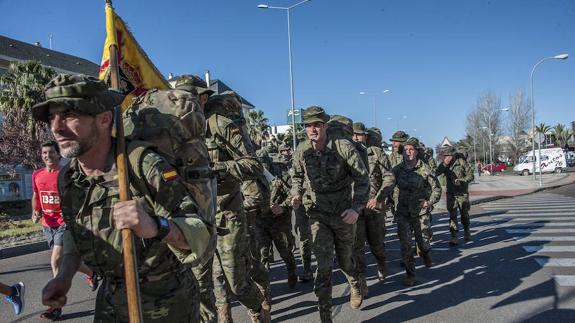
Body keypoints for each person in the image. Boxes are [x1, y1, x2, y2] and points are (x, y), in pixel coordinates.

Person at [34, 74, 213, 322]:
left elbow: (202, 234)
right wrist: (63, 277)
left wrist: (156, 226)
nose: (56, 127)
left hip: (167, 307)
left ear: (104, 119)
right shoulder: (69, 178)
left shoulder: (142, 165)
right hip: (110, 304)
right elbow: (74, 232)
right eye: (52, 117)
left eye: (69, 115)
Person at [291, 106, 369, 322]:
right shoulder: (302, 150)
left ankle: (355, 281)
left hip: (344, 213)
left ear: (325, 126)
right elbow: (296, 175)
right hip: (318, 214)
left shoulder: (342, 147)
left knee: (345, 262)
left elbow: (362, 179)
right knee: (323, 268)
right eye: (308, 125)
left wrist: (356, 208)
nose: (313, 129)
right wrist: (296, 194)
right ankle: (326, 317)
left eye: (317, 125)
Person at [203, 92, 269, 323]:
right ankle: (224, 316)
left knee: (235, 278)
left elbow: (254, 165)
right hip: (199, 215)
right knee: (212, 275)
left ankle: (257, 306)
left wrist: (217, 168)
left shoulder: (220, 124)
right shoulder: (180, 129)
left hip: (227, 210)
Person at [31, 140, 98, 320]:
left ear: (58, 154)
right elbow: (36, 195)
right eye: (44, 153)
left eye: (51, 152)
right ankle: (92, 273)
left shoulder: (65, 173)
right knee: (66, 262)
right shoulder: (37, 174)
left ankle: (55, 305)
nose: (47, 156)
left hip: (64, 223)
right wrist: (35, 211)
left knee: (56, 261)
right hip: (48, 225)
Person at [382, 137, 441, 286]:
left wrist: (429, 202)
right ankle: (410, 274)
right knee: (406, 245)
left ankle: (426, 252)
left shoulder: (425, 169)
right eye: (406, 150)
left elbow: (437, 188)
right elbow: (388, 186)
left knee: (422, 242)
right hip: (402, 213)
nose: (408, 152)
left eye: (411, 149)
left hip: (420, 213)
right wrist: (384, 200)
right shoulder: (397, 170)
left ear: (416, 151)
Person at [256, 144, 298, 288]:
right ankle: (265, 288)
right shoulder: (250, 178)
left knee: (286, 251)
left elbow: (294, 195)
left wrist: (283, 207)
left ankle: (292, 271)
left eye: (263, 163)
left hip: (279, 220)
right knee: (263, 255)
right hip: (260, 221)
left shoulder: (281, 175)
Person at [354, 124, 389, 282]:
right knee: (357, 248)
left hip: (374, 207)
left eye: (359, 135)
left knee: (376, 245)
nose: (355, 138)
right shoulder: (345, 153)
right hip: (355, 209)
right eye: (353, 134)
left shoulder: (377, 153)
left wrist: (379, 198)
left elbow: (389, 177)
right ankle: (361, 282)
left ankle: (381, 263)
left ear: (365, 136)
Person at [435, 145, 474, 245]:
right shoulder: (445, 164)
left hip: (462, 193)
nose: (447, 157)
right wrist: (444, 164)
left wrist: (462, 180)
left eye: (449, 155)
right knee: (452, 215)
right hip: (451, 193)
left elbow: (471, 175)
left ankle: (466, 230)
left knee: (464, 214)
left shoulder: (461, 162)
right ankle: (454, 236)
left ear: (453, 155)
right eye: (445, 155)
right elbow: (436, 173)